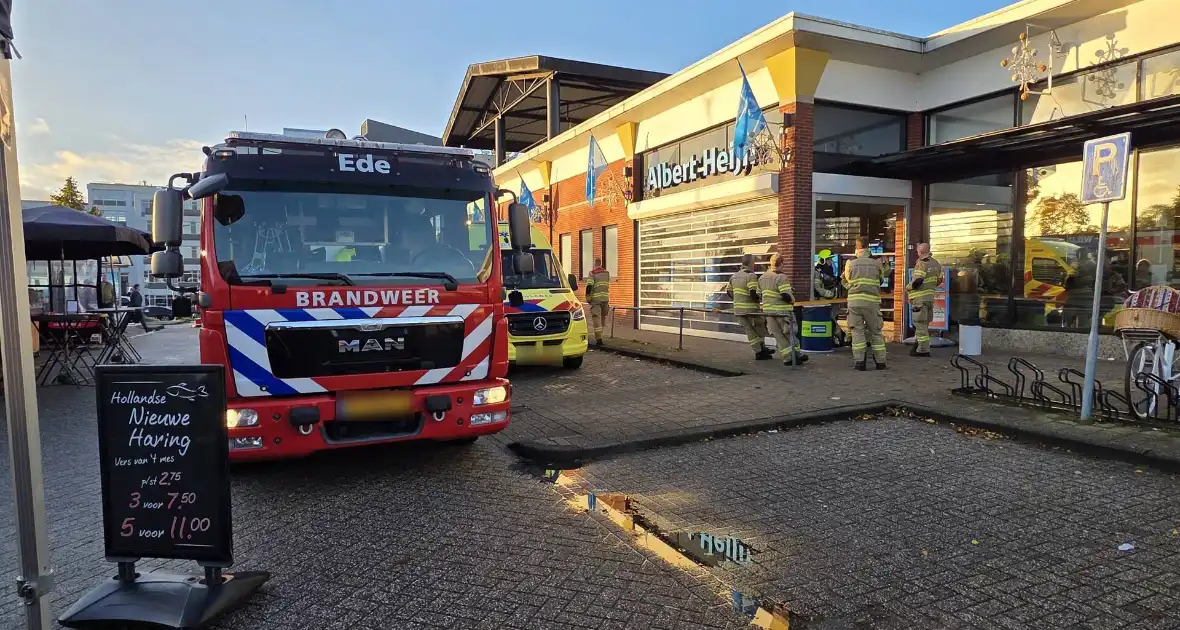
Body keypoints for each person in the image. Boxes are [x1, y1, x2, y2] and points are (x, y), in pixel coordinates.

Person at [842, 238, 887, 370]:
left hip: (855, 302)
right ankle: (880, 362)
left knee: (857, 332)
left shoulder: (850, 262)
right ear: (868, 246)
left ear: (857, 246)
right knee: (876, 332)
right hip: (872, 302)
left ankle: (860, 362)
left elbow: (847, 280)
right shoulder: (877, 262)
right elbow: (881, 279)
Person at [759, 254, 807, 366]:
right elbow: (785, 295)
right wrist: (791, 300)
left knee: (778, 335)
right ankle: (796, 355)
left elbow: (758, 294)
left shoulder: (762, 277)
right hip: (782, 311)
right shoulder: (781, 277)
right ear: (781, 264)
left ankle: (788, 358)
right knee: (790, 333)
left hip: (769, 312)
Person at [727, 254, 773, 360]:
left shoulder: (734, 275)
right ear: (752, 263)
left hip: (738, 309)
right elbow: (753, 292)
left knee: (750, 330)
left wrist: (737, 300)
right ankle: (760, 352)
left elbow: (728, 291)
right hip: (751, 309)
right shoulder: (751, 275)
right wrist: (759, 299)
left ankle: (761, 349)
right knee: (759, 327)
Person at [909, 243, 942, 357]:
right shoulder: (936, 263)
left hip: (920, 299)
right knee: (924, 324)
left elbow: (917, 281)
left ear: (920, 252)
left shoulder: (921, 263)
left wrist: (908, 287)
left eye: (917, 251)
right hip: (929, 299)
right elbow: (939, 280)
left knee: (919, 324)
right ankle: (917, 345)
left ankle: (923, 349)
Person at [813, 249, 847, 347]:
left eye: (831, 260)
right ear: (823, 260)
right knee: (829, 319)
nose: (830, 262)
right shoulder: (817, 273)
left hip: (830, 301)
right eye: (828, 260)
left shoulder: (827, 272)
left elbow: (831, 282)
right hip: (822, 301)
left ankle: (835, 336)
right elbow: (818, 288)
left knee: (832, 319)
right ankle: (838, 334)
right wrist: (830, 294)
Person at [584, 258, 611, 346]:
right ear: (601, 263)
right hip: (605, 299)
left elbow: (589, 286)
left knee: (596, 318)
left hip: (596, 300)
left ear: (594, 264)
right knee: (603, 317)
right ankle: (601, 334)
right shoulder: (607, 273)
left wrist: (588, 297)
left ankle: (599, 338)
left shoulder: (592, 273)